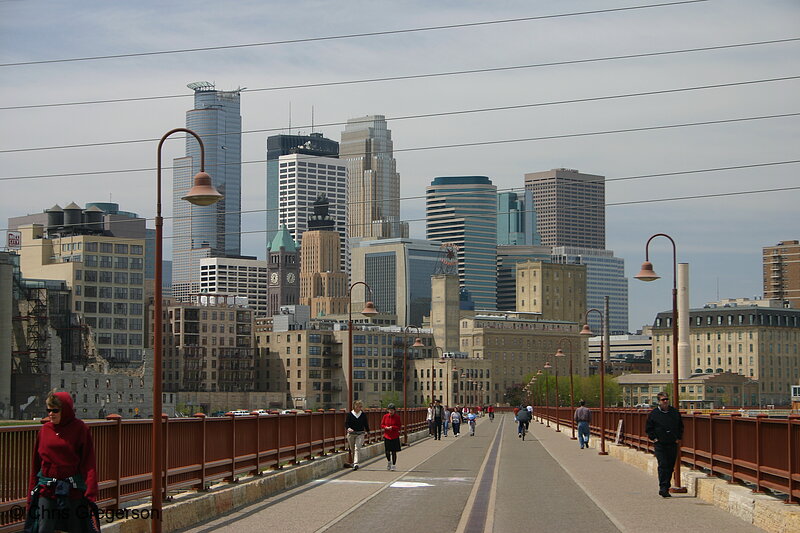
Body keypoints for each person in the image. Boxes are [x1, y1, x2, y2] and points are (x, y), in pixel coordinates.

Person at [27, 391, 98, 533]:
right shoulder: (44, 430)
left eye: (55, 410)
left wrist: (90, 491)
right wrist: (31, 493)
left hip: (72, 490)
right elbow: (36, 465)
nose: (51, 414)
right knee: (43, 528)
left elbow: (88, 463)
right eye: (49, 410)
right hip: (47, 489)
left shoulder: (80, 429)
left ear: (65, 410)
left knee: (76, 528)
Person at [645, 391, 684, 497]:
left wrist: (678, 438)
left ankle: (666, 487)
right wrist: (654, 438)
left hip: (672, 443)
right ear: (659, 402)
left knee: (670, 466)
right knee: (663, 465)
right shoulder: (654, 414)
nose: (665, 401)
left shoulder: (674, 412)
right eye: (663, 400)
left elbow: (680, 426)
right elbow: (648, 428)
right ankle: (662, 488)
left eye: (667, 399)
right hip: (660, 444)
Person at [346, 400, 370, 470]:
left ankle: (356, 463)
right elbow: (346, 423)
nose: (359, 408)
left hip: (360, 433)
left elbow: (366, 423)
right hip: (351, 434)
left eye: (360, 406)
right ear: (354, 406)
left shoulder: (362, 414)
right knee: (353, 449)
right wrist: (348, 428)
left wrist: (368, 432)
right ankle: (354, 463)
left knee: (357, 448)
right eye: (358, 406)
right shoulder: (350, 414)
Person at [381, 404, 402, 471]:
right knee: (387, 451)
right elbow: (382, 424)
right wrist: (385, 427)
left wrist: (392, 427)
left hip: (394, 436)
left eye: (392, 410)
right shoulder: (385, 416)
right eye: (389, 410)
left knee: (394, 452)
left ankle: (393, 465)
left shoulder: (397, 417)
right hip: (387, 436)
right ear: (388, 410)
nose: (391, 411)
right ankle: (389, 461)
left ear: (394, 411)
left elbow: (399, 426)